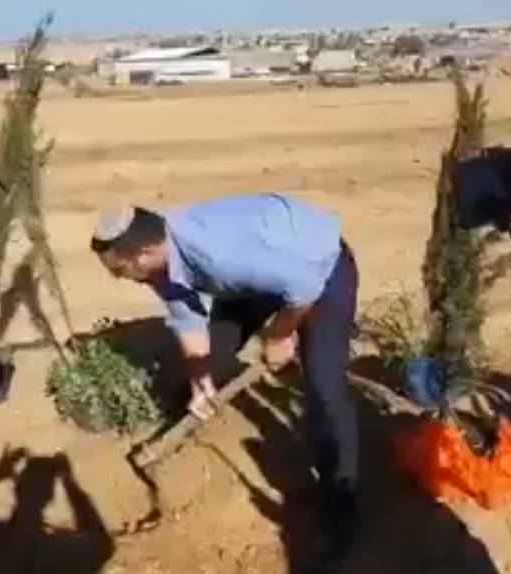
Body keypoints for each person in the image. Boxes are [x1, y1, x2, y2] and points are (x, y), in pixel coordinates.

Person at [90, 193, 359, 551]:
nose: (123, 279)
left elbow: (305, 285)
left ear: (141, 255)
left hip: (320, 268)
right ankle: (184, 424)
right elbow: (186, 317)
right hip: (262, 274)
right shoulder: (161, 259)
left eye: (120, 271)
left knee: (324, 385)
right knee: (211, 358)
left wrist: (279, 334)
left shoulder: (217, 255)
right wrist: (201, 380)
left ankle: (341, 504)